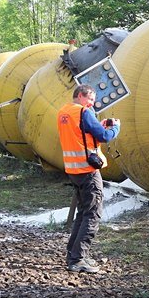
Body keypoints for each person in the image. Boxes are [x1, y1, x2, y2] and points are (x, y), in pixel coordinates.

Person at [57, 84, 121, 273]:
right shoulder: (84, 112)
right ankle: (78, 260)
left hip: (73, 169)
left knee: (83, 212)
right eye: (90, 99)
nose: (92, 104)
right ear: (80, 96)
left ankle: (73, 255)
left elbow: (79, 136)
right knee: (93, 213)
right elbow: (104, 136)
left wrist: (94, 126)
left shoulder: (63, 112)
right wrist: (116, 128)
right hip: (88, 170)